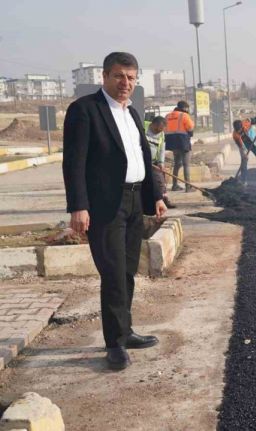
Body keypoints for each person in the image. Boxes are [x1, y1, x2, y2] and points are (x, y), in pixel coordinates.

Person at [62, 52, 167, 371]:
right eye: (119, 76)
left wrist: (155, 196)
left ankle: (126, 330)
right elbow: (74, 163)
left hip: (135, 202)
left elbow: (141, 159)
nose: (126, 83)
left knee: (128, 270)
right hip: (104, 206)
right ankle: (114, 344)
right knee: (112, 274)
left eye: (132, 78)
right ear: (105, 77)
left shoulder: (133, 113)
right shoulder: (85, 111)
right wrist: (78, 206)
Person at [144, 116, 175, 209]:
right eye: (158, 129)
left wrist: (161, 162)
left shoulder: (161, 134)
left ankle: (164, 199)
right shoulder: (142, 127)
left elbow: (162, 149)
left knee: (160, 180)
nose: (159, 131)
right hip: (143, 161)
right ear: (153, 124)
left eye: (162, 129)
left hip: (154, 162)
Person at [164, 101, 195, 192]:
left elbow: (164, 129)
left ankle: (174, 185)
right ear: (185, 107)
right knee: (186, 164)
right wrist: (190, 133)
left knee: (177, 164)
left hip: (171, 143)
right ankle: (188, 187)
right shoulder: (184, 115)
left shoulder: (167, 116)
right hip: (183, 142)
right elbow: (190, 128)